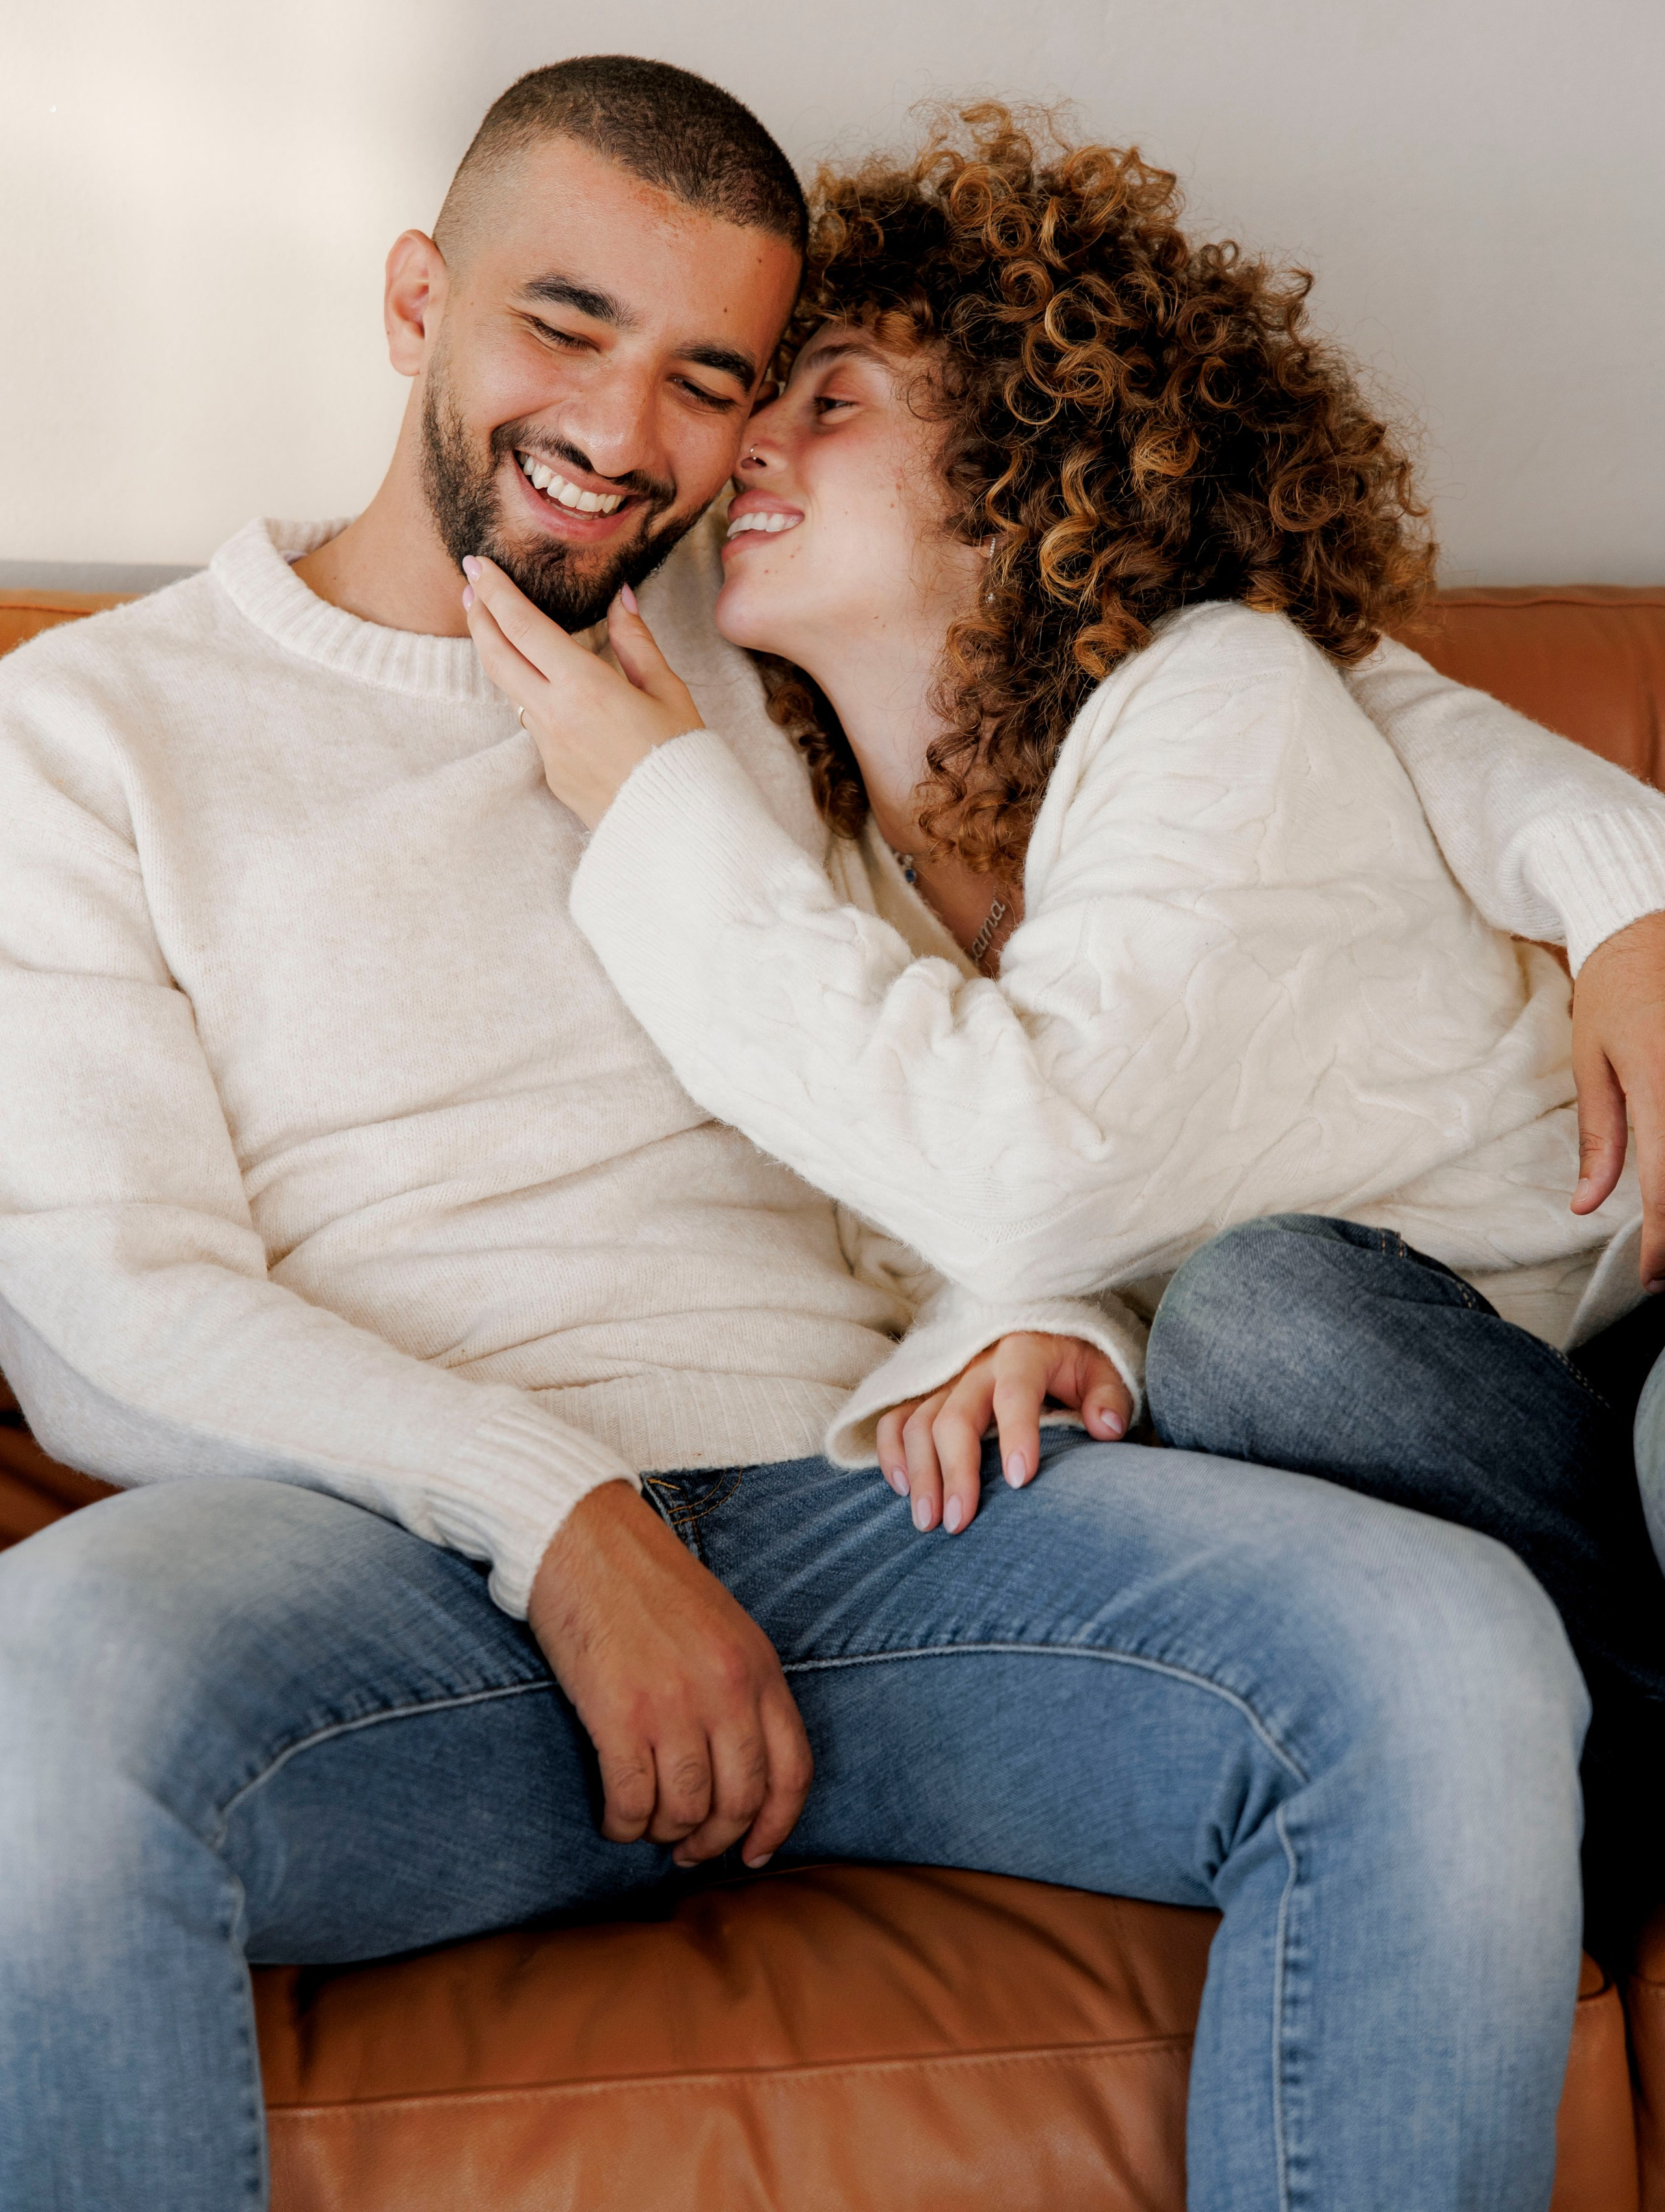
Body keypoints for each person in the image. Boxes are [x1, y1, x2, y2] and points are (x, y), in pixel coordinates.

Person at [0, 60, 1657, 2212]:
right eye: (561, 324)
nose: (628, 433)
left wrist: (1624, 884)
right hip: (389, 1562)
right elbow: (109, 1310)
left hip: (871, 1519)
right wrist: (562, 1519)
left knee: (1442, 1654)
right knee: (46, 1695)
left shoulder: (755, 632)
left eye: (717, 377)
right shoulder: (88, 732)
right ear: (419, 300)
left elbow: (1269, 681)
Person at [460, 102, 1665, 1969]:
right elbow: (1049, 1181)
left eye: (830, 399)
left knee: (1271, 1326)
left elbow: (1037, 1168)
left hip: (1597, 1340)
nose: (744, 445)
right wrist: (1058, 1317)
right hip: (1411, 1442)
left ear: (1027, 467)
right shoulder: (842, 863)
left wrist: (649, 805)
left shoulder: (1215, 698)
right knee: (1238, 1337)